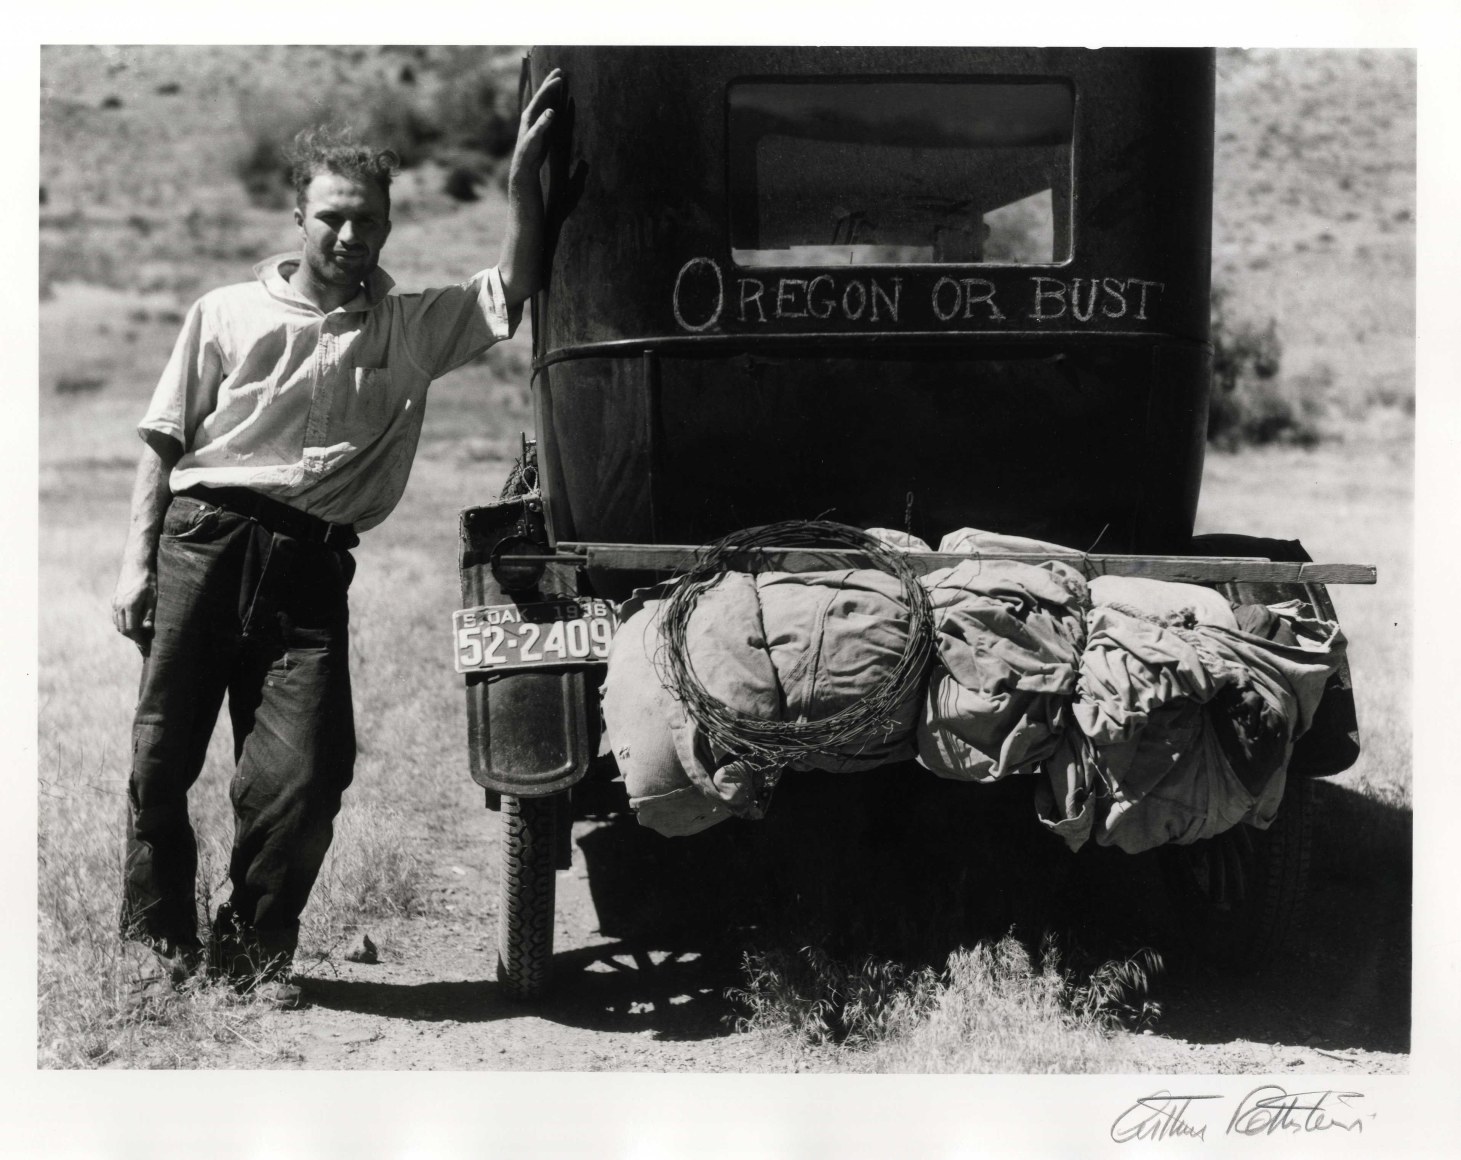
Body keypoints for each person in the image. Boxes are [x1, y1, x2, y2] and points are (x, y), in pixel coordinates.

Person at [110, 69, 564, 1009]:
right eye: (333, 218)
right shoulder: (224, 313)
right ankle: (156, 945)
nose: (352, 236)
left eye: (369, 220)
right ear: (298, 217)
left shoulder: (409, 327)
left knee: (307, 774)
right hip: (206, 544)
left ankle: (251, 952)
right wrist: (135, 564)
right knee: (163, 757)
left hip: (312, 569)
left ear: (388, 223)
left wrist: (523, 178)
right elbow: (162, 443)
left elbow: (512, 284)